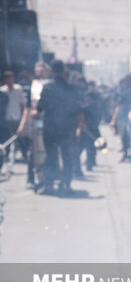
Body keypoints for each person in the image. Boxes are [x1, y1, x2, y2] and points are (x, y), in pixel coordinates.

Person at [36, 60, 82, 195]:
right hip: (67, 128)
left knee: (51, 155)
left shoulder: (47, 88)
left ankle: (49, 184)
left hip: (50, 127)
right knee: (67, 155)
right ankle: (66, 184)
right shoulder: (72, 88)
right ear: (63, 71)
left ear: (52, 71)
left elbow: (40, 108)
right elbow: (77, 109)